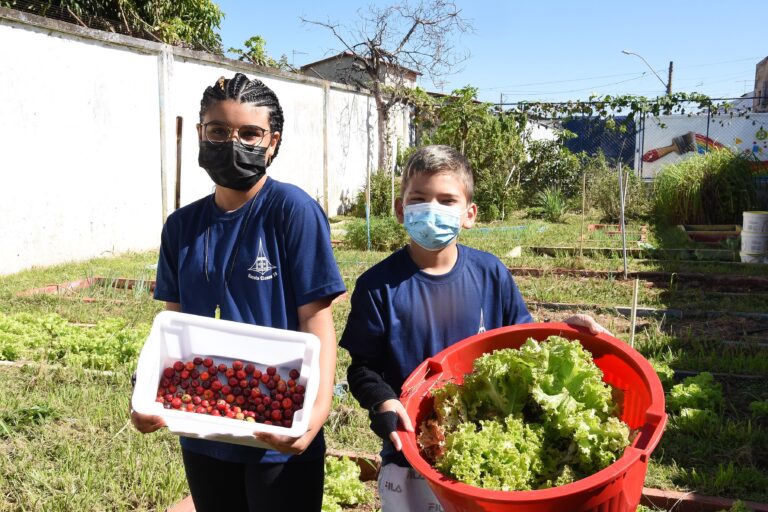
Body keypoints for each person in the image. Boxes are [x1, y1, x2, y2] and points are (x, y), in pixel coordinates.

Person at [338, 144, 607, 511]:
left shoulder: (490, 273)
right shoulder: (377, 285)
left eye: (447, 200)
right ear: (401, 210)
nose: (432, 209)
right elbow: (363, 367)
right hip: (410, 450)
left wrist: (561, 331)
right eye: (419, 198)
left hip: (487, 444)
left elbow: (523, 342)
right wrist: (382, 400)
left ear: (469, 214)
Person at [130, 72, 346, 512]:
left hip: (279, 429)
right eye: (219, 131)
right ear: (200, 134)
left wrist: (314, 416)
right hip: (204, 427)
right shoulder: (181, 227)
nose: (233, 143)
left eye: (249, 133)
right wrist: (149, 390)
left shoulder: (292, 211)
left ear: (272, 142)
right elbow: (174, 329)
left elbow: (316, 322)